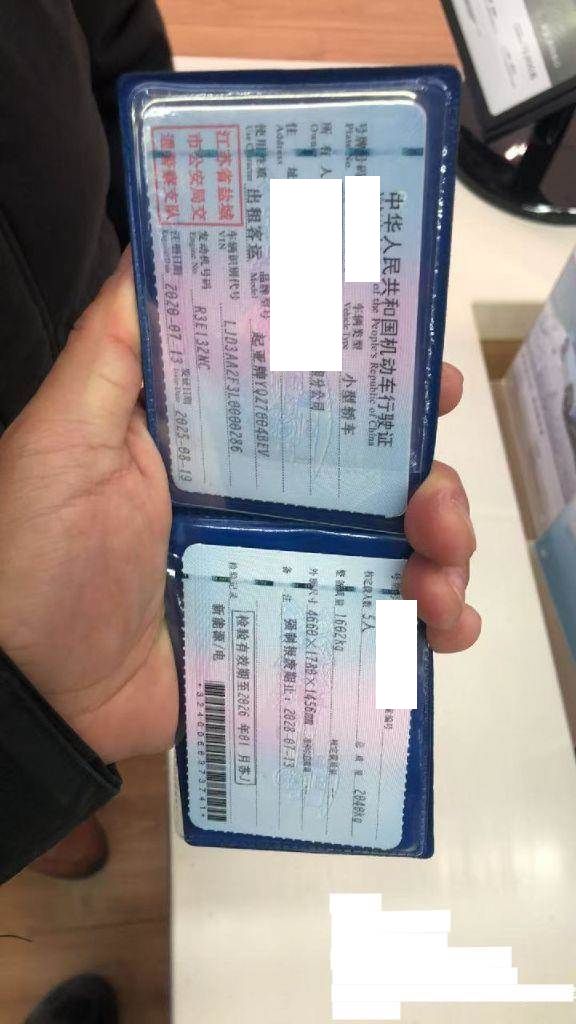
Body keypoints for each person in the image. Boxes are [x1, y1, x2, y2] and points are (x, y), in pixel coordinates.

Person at [0, 2, 480, 1019]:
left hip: (162, 390)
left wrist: (167, 243)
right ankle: (47, 812)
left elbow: (114, 42)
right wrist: (20, 749)